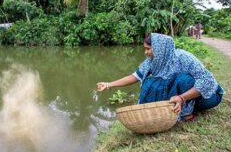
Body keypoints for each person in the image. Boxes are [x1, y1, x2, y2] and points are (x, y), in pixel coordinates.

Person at [96, 33, 224, 121]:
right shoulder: (153, 61)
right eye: (144, 49)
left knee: (183, 79)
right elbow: (135, 76)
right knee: (152, 82)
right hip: (182, 99)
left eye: (148, 49)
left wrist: (181, 97)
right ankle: (180, 108)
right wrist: (108, 84)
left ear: (160, 48)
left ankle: (187, 114)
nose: (146, 53)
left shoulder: (183, 57)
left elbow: (207, 81)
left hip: (207, 98)